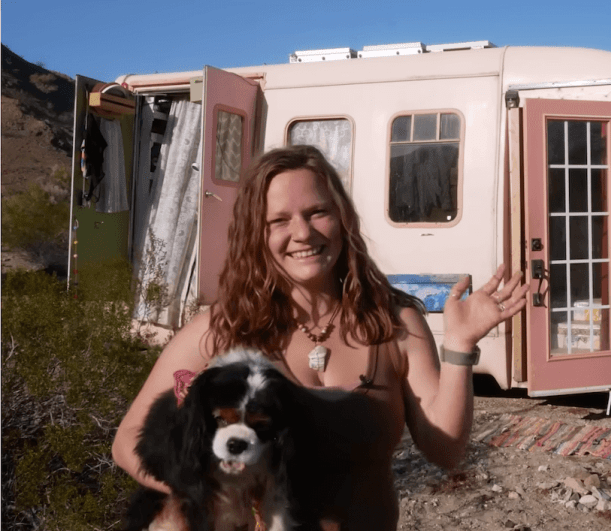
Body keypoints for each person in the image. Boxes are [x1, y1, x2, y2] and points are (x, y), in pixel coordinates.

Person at [112, 145, 529, 530]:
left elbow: (446, 450)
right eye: (279, 221)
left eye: (317, 212)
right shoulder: (222, 329)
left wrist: (459, 343)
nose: (303, 233)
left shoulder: (394, 323)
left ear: (343, 218)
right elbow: (129, 440)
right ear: (257, 233)